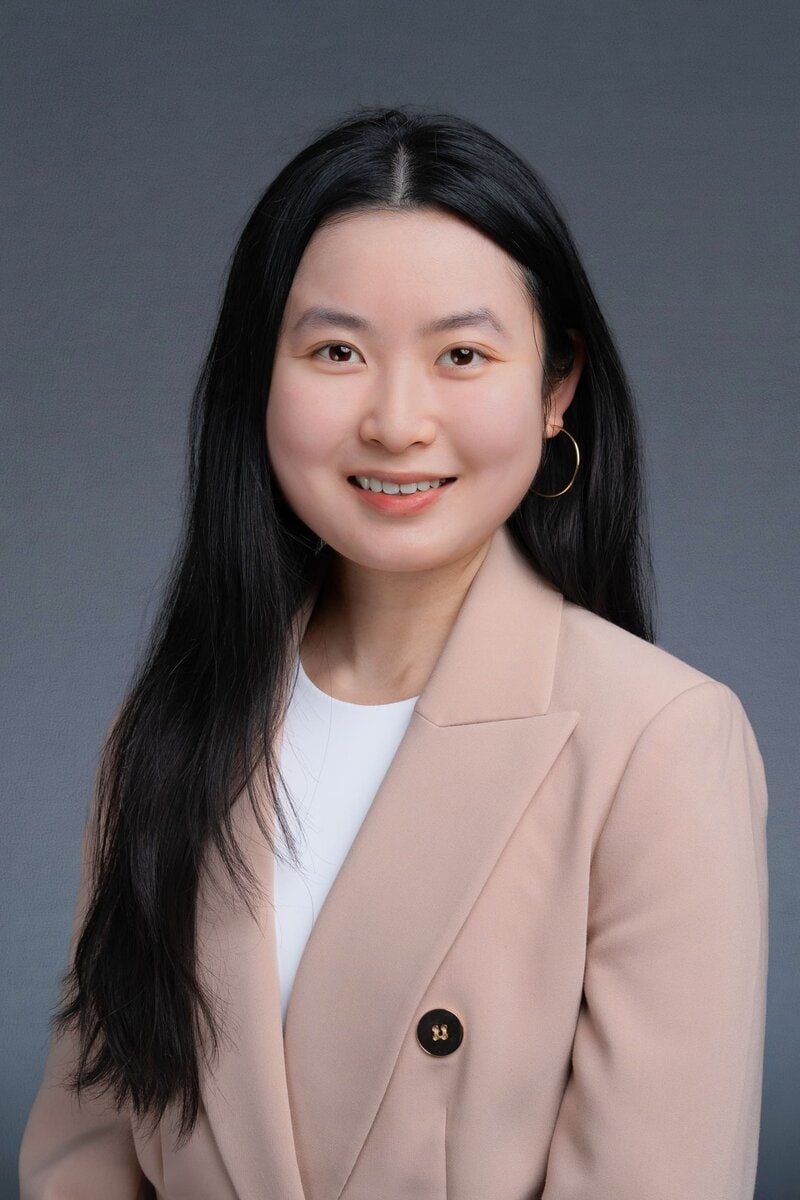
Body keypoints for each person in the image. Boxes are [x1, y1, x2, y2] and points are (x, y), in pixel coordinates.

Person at [19, 105, 769, 1200]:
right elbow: (85, 1151)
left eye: (461, 354)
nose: (395, 418)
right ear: (257, 378)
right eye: (335, 351)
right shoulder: (170, 727)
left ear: (555, 386)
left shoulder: (656, 741)